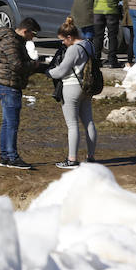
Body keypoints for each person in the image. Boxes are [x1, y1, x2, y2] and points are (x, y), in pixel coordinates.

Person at [0, 17, 43, 170]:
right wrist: (34, 65)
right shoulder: (12, 42)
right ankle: (12, 157)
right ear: (25, 31)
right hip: (9, 87)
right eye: (32, 34)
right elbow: (17, 65)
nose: (33, 38)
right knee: (12, 124)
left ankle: (5, 156)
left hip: (6, 85)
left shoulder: (13, 40)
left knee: (7, 123)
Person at [47, 16, 97, 169]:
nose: (62, 43)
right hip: (87, 87)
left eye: (63, 40)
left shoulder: (73, 49)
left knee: (72, 125)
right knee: (88, 122)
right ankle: (91, 157)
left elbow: (62, 70)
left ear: (70, 37)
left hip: (72, 87)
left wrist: (48, 72)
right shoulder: (89, 44)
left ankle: (72, 159)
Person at [92, 0, 123, 68]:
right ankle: (112, 59)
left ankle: (96, 59)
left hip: (97, 10)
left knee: (98, 36)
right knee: (112, 35)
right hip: (111, 9)